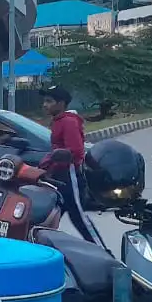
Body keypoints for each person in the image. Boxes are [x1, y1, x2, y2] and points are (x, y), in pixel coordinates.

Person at [39, 86, 102, 246]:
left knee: (78, 216)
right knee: (47, 216)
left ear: (61, 103)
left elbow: (76, 152)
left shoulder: (68, 122)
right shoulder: (58, 121)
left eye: (49, 101)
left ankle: (103, 252)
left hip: (70, 174)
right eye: (44, 101)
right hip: (57, 175)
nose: (45, 105)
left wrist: (54, 157)